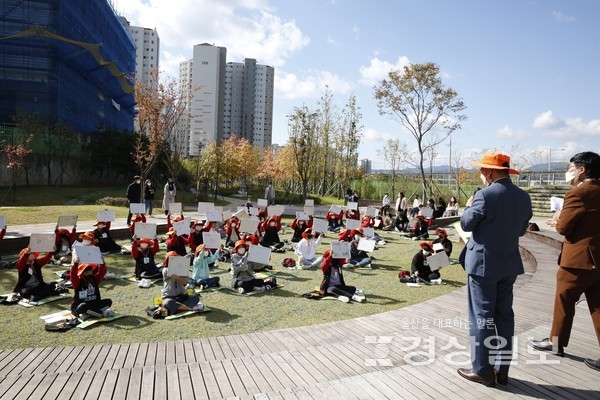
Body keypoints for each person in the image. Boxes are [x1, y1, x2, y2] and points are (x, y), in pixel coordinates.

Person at [457, 151, 532, 387]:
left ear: (488, 171)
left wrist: (469, 206)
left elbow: (467, 224)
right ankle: (502, 370)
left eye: (482, 170)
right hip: (508, 264)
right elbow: (521, 230)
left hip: (483, 267)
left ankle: (482, 370)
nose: (480, 174)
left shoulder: (484, 195)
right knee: (504, 317)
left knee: (482, 318)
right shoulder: (523, 197)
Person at [528, 151, 600, 372]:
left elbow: (563, 228)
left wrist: (558, 218)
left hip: (578, 261)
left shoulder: (578, 194)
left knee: (564, 300)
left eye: (571, 168)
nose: (569, 173)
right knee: (598, 307)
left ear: (582, 170)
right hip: (598, 259)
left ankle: (556, 343)